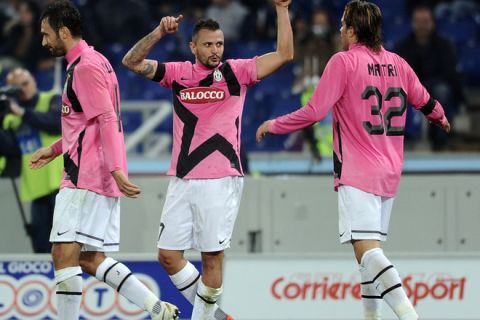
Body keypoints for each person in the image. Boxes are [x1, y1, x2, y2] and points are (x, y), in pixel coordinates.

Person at [256, 1, 450, 320]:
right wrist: (440, 117)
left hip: (358, 171)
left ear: (353, 30)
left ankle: (409, 315)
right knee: (367, 256)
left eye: (344, 24)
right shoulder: (398, 63)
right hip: (389, 172)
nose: (340, 30)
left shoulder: (343, 62)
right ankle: (371, 317)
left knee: (368, 253)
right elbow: (424, 99)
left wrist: (274, 124)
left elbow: (314, 112)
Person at [121, 0, 293, 318]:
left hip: (221, 177)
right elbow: (131, 61)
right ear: (193, 46)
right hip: (183, 177)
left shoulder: (236, 72)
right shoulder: (178, 74)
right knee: (168, 255)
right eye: (208, 45)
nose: (215, 50)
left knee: (212, 257)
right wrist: (159, 31)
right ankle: (216, 315)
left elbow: (284, 55)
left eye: (219, 44)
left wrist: (281, 10)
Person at [30, 1, 179, 319]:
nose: (44, 42)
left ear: (64, 32)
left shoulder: (85, 67)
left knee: (63, 253)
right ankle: (157, 308)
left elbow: (107, 119)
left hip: (86, 174)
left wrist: (117, 169)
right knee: (89, 257)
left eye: (46, 34)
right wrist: (55, 149)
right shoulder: (95, 62)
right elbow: (86, 124)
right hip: (92, 169)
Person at [0, 68, 62, 253]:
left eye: (25, 84)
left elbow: (55, 124)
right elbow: (10, 149)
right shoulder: (10, 116)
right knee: (41, 245)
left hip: (63, 184)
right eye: (15, 87)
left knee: (66, 243)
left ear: (34, 81)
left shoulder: (52, 99)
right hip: (36, 189)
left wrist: (21, 112)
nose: (22, 90)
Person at [394, 4, 464, 151]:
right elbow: (397, 76)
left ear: (432, 23)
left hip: (435, 87)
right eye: (418, 21)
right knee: (398, 94)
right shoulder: (402, 47)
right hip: (411, 90)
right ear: (412, 23)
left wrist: (424, 88)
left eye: (425, 21)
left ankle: (440, 141)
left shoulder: (445, 46)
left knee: (442, 91)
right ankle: (404, 140)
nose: (422, 26)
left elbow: (450, 74)